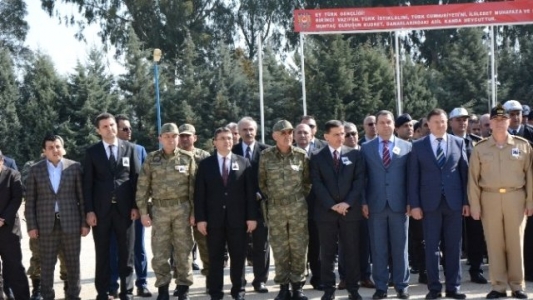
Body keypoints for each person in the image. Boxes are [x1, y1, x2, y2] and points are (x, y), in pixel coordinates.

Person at [468, 104, 533, 299]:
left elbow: (530, 176)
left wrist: (530, 201)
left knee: (516, 242)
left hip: (516, 197)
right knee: (494, 243)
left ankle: (517, 285)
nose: (499, 123)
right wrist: (475, 205)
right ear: (491, 123)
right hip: (490, 197)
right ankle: (497, 285)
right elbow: (473, 179)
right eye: (495, 120)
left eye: (502, 120)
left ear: (508, 122)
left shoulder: (523, 145)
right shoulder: (480, 148)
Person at [409, 108, 469, 300]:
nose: (440, 125)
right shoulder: (418, 146)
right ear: (428, 124)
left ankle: (453, 287)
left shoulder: (458, 143)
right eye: (436, 122)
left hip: (454, 204)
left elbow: (464, 175)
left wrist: (466, 202)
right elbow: (413, 179)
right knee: (432, 248)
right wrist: (415, 205)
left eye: (443, 122)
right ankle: (434, 288)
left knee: (453, 247)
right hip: (429, 205)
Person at [195, 127, 257, 300]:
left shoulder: (243, 162)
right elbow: (199, 194)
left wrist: (252, 217)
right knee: (215, 259)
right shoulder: (206, 164)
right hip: (213, 221)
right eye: (222, 138)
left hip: (238, 220)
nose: (226, 141)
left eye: (229, 138)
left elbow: (250, 193)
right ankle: (216, 293)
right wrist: (201, 219)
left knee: (238, 258)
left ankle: (238, 291)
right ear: (214, 142)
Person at [25, 134, 90, 300]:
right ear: (44, 151)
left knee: (73, 264)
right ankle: (47, 296)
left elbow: (81, 198)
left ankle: (73, 296)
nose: (55, 150)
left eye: (57, 146)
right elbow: (30, 201)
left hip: (71, 223)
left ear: (63, 148)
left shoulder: (74, 167)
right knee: (47, 265)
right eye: (50, 147)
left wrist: (84, 223)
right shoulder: (35, 170)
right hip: (45, 225)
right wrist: (31, 226)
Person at [136, 123, 196, 300]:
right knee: (160, 251)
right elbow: (142, 187)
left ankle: (183, 287)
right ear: (160, 138)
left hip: (182, 209)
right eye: (167, 136)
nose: (171, 139)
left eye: (174, 136)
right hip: (159, 210)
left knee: (183, 250)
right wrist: (143, 212)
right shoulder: (151, 159)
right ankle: (163, 288)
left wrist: (195, 212)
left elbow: (194, 189)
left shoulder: (187, 158)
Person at [83, 113, 140, 300]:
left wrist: (136, 206)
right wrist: (89, 210)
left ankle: (127, 291)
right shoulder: (92, 152)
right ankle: (103, 291)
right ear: (98, 130)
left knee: (127, 253)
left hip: (125, 210)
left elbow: (136, 179)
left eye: (112, 125)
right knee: (103, 253)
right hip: (101, 212)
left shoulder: (130, 149)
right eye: (105, 126)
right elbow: (88, 184)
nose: (110, 129)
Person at [310, 120, 365, 300]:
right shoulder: (317, 156)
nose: (341, 137)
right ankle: (329, 290)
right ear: (326, 137)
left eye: (342, 133)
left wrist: (346, 203)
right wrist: (332, 205)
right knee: (327, 254)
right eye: (336, 134)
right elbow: (317, 184)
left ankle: (353, 289)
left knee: (351, 252)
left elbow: (359, 182)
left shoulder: (355, 155)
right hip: (326, 213)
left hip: (350, 212)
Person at [258, 120, 311, 300]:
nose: (287, 136)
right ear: (274, 136)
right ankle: (283, 287)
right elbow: (262, 183)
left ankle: (297, 287)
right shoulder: (266, 156)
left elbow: (307, 182)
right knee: (279, 248)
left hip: (297, 208)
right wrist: (276, 198)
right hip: (275, 208)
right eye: (283, 133)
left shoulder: (301, 155)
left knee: (298, 247)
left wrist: (295, 198)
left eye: (290, 133)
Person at [361, 111, 411, 299]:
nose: (385, 125)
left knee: (400, 247)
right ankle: (381, 286)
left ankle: (401, 285)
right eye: (381, 122)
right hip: (375, 205)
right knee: (378, 248)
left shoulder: (407, 147)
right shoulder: (366, 148)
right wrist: (363, 202)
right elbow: (362, 179)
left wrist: (410, 201)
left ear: (393, 125)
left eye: (388, 122)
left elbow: (410, 178)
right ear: (376, 125)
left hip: (399, 205)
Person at [108, 115, 151, 298]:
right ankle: (114, 285)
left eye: (130, 128)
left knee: (138, 247)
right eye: (125, 128)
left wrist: (143, 208)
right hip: (115, 209)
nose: (129, 131)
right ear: (115, 130)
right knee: (114, 248)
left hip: (136, 207)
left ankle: (142, 283)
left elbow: (145, 179)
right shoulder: (108, 150)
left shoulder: (139, 150)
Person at [448, 107, 487, 284]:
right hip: (452, 196)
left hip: (474, 195)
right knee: (452, 236)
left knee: (475, 234)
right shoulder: (445, 142)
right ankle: (451, 271)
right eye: (458, 119)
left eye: (465, 119)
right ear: (450, 122)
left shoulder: (478, 143)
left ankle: (476, 269)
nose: (463, 122)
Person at [231, 117, 270, 293]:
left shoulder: (267, 151)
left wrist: (261, 193)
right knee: (239, 245)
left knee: (261, 245)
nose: (248, 133)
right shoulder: (232, 150)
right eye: (245, 130)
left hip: (261, 205)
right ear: (239, 132)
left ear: (256, 131)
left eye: (251, 129)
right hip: (238, 206)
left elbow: (271, 179)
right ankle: (239, 282)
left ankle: (260, 280)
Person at [339, 122, 374, 290]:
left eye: (353, 133)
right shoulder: (339, 155)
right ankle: (345, 277)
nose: (351, 137)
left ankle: (365, 276)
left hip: (368, 204)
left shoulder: (366, 151)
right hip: (347, 205)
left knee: (365, 243)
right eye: (347, 135)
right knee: (346, 243)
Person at [178, 123, 210, 294]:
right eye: (181, 136)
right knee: (181, 250)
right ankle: (182, 284)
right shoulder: (173, 156)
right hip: (180, 210)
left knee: (205, 246)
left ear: (195, 138)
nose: (184, 139)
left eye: (187, 135)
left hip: (201, 209)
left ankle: (211, 281)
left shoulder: (204, 156)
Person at [503, 100, 533, 282]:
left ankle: (528, 271)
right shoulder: (498, 136)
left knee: (529, 233)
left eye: (518, 114)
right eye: (511, 114)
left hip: (527, 191)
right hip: (505, 193)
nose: (515, 117)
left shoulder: (530, 134)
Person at [294, 123, 322, 290]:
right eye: (299, 133)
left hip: (317, 206)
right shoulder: (289, 153)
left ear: (312, 134)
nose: (303, 135)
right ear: (294, 136)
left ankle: (318, 278)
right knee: (298, 245)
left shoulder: (321, 151)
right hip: (295, 207)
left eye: (306, 132)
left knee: (316, 245)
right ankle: (298, 280)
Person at [0, 151, 30, 300]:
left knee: (14, 267)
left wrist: (3, 218)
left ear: (2, 161)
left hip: (9, 229)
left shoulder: (13, 175)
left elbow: (17, 198)